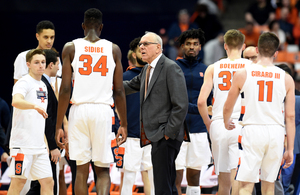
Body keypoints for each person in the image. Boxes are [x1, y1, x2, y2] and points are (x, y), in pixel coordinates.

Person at [55, 8, 127, 195]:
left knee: (81, 169)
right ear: (101, 27)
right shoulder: (113, 49)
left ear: (83, 26)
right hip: (103, 111)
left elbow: (64, 89)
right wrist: (124, 124)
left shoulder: (71, 47)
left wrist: (58, 125)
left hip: (78, 111)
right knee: (102, 170)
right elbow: (119, 91)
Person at [223, 32, 295, 195]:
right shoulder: (286, 78)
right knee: (269, 186)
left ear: (257, 49)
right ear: (276, 53)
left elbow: (228, 106)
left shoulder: (243, 73)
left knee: (245, 186)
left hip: (252, 130)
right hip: (276, 132)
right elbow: (290, 117)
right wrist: (289, 148)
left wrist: (226, 121)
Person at [123, 31, 189, 195]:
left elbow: (181, 105)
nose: (141, 47)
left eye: (146, 44)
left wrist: (168, 133)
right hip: (157, 134)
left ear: (158, 47)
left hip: (165, 134)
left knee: (161, 184)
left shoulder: (171, 67)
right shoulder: (147, 69)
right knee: (166, 182)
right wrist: (104, 82)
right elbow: (128, 86)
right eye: (140, 45)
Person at [197, 29, 253, 195]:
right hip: (241, 123)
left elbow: (201, 102)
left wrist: (209, 123)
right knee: (238, 175)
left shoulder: (213, 68)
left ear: (225, 46)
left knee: (222, 184)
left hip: (218, 124)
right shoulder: (251, 67)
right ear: (243, 46)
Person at [8, 49, 53, 195]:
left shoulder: (43, 86)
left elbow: (40, 120)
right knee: (18, 182)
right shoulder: (23, 82)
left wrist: (45, 142)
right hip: (22, 145)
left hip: (39, 146)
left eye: (43, 62)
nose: (41, 65)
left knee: (48, 182)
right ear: (28, 64)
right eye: (36, 62)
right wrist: (33, 106)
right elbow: (16, 101)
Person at [174, 28, 212, 195]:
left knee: (195, 175)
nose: (191, 47)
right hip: (176, 128)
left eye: (195, 44)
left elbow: (210, 100)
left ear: (200, 47)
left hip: (198, 128)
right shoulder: (172, 67)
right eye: (188, 44)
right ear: (182, 46)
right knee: (175, 174)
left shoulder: (208, 69)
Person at [121, 37, 154, 195]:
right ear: (134, 54)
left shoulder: (155, 74)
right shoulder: (125, 77)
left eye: (146, 48)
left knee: (150, 175)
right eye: (140, 49)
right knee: (128, 174)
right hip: (131, 134)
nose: (143, 51)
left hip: (152, 133)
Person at [26, 49, 61, 195]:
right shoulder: (39, 85)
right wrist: (52, 145)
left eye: (42, 62)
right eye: (58, 64)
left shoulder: (43, 84)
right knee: (39, 185)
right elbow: (47, 117)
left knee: (45, 184)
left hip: (42, 142)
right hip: (40, 143)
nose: (59, 68)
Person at [13, 20, 61, 84]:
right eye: (46, 37)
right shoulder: (23, 57)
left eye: (52, 37)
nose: (49, 41)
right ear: (37, 36)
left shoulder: (56, 58)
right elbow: (18, 85)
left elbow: (56, 82)